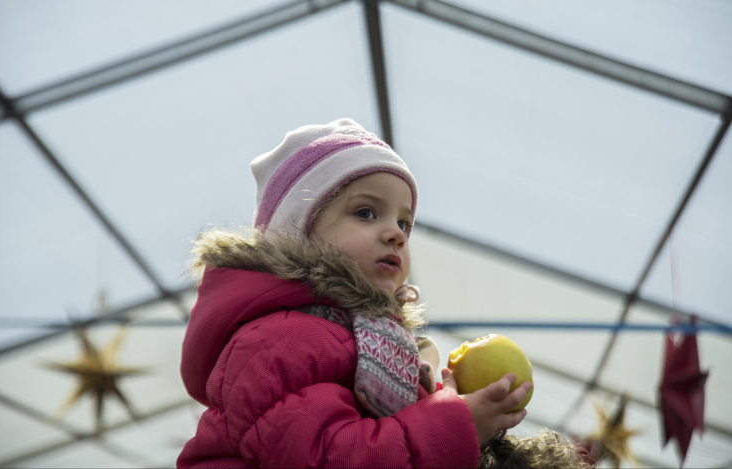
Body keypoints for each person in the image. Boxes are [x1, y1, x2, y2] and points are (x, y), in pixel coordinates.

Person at [177, 118, 588, 468]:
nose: (395, 233)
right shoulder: (278, 339)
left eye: (405, 223)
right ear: (297, 233)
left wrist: (441, 402)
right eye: (366, 212)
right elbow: (329, 457)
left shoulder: (370, 339)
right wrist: (455, 424)